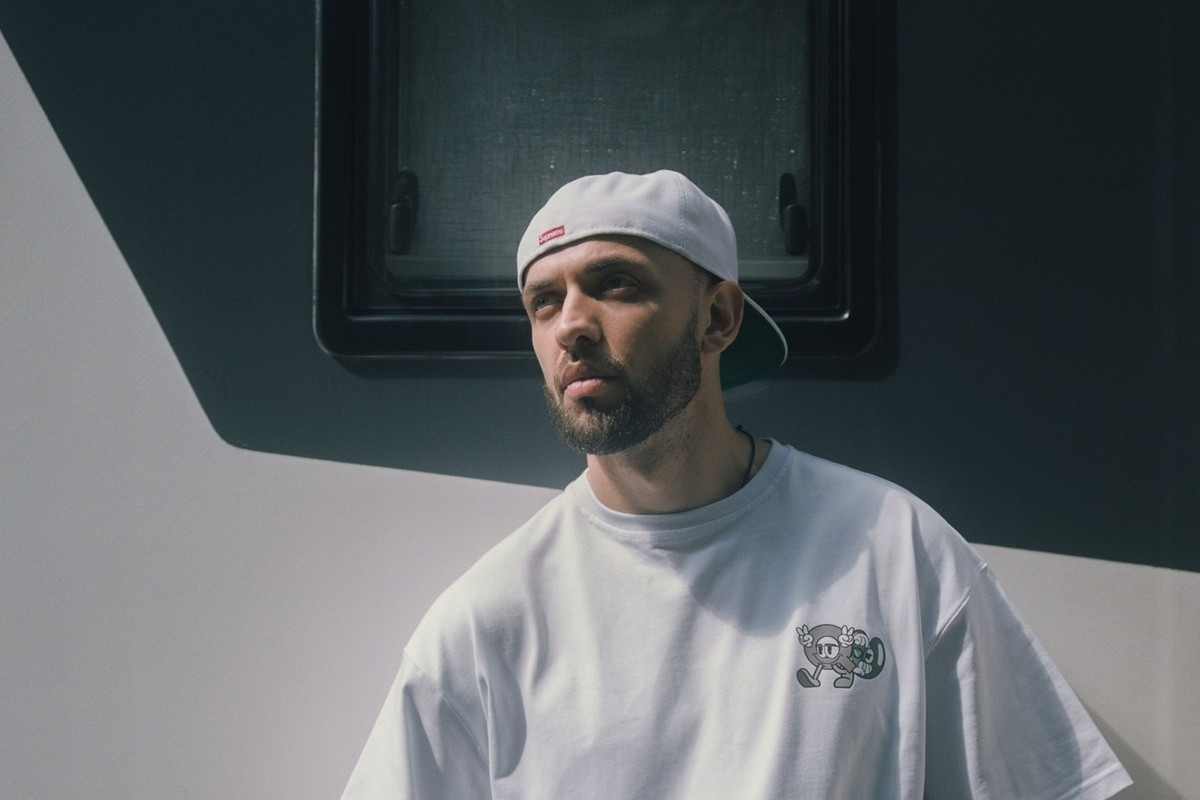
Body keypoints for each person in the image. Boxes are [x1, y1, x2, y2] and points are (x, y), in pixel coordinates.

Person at [341, 170, 1131, 799]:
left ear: (718, 318)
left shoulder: (892, 548)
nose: (570, 324)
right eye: (544, 302)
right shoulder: (486, 622)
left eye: (615, 284)